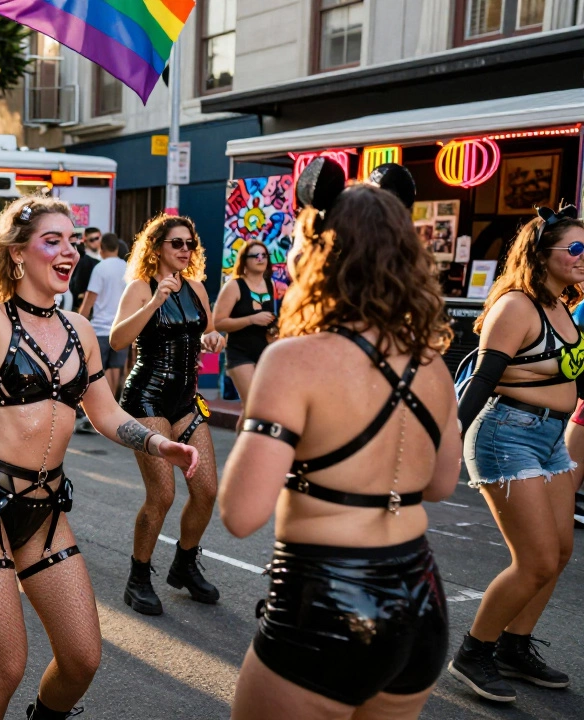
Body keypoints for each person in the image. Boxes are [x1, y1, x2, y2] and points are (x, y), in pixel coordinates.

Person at [0, 99, 197, 720]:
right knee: (7, 665)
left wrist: (160, 445)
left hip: (46, 507)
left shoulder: (79, 329)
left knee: (82, 658)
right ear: (19, 253)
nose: (69, 250)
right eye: (53, 240)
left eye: (73, 240)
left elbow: (104, 414)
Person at [220, 172, 459, 719]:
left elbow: (239, 512)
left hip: (325, 602)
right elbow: (442, 484)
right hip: (423, 603)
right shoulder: (433, 364)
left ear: (319, 252)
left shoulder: (294, 359)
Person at [451, 204, 583, 702]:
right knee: (535, 559)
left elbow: (572, 374)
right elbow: (482, 381)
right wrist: (445, 449)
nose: (583, 257)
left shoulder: (561, 306)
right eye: (575, 248)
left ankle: (514, 646)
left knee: (560, 553)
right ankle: (473, 652)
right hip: (506, 435)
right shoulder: (516, 306)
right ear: (542, 253)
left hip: (551, 438)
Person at [109, 214, 226, 616]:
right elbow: (118, 339)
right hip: (147, 399)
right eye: (177, 243)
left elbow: (209, 332)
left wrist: (214, 338)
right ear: (157, 246)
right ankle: (138, 577)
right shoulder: (140, 288)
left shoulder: (196, 288)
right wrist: (156, 299)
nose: (185, 250)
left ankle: (185, 562)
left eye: (190, 244)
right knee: (162, 494)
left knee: (207, 490)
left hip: (186, 401)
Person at [213, 240, 278, 417]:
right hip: (240, 353)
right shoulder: (234, 286)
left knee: (256, 408)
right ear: (244, 260)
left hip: (265, 352)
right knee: (253, 406)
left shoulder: (269, 284)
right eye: (255, 255)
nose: (260, 258)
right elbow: (218, 322)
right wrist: (251, 319)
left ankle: (243, 443)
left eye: (264, 255)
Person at [75, 232, 128, 400]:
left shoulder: (100, 268)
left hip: (100, 328)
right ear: (117, 248)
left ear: (101, 249)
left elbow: (90, 300)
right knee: (116, 367)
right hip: (121, 328)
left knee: (98, 371)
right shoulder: (127, 267)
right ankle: (113, 406)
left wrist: (78, 324)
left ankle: (101, 408)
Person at [69, 226, 101, 312]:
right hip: (87, 307)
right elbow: (78, 286)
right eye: (91, 240)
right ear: (85, 241)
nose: (95, 242)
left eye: (97, 238)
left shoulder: (103, 259)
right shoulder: (84, 261)